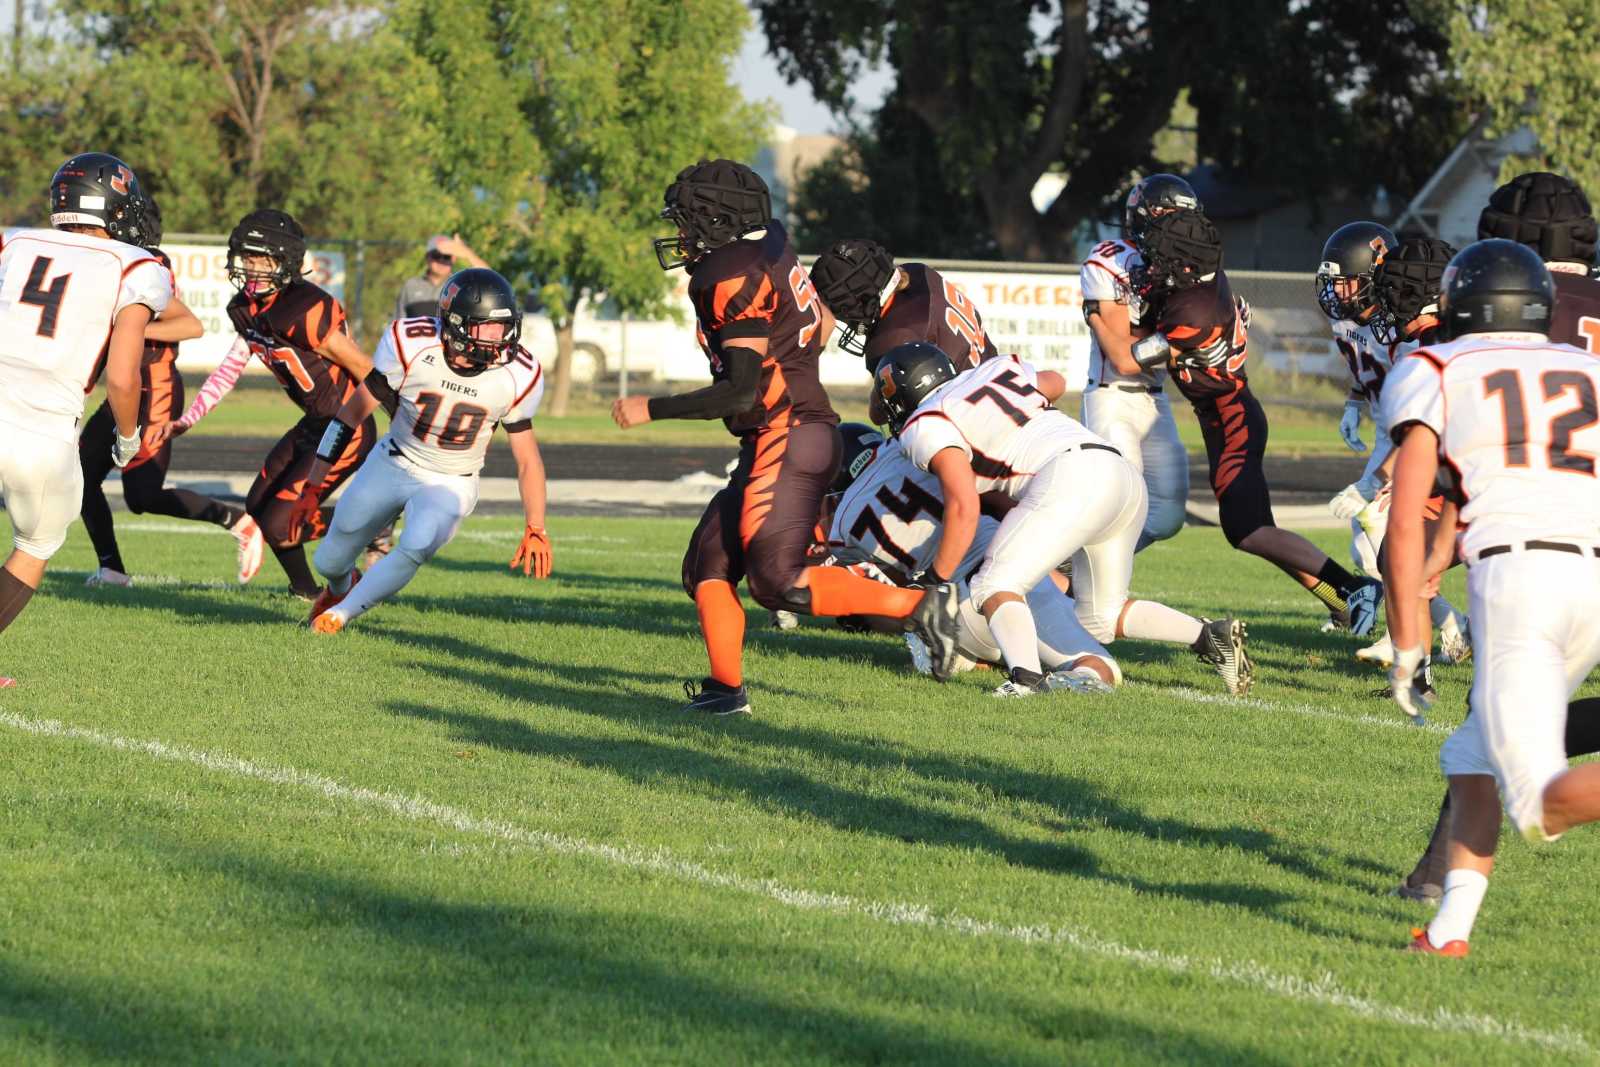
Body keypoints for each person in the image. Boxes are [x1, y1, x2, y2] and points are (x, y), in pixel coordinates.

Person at [612, 158, 960, 716]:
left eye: (688, 221)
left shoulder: (730, 275)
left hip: (787, 433)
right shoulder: (770, 243)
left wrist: (649, 408)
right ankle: (725, 692)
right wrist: (787, 357)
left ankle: (920, 607)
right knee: (706, 565)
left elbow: (737, 393)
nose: (681, 234)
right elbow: (819, 325)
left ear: (719, 221)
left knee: (779, 585)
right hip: (782, 432)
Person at [1382, 240, 1600, 956]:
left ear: (1461, 305)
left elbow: (1404, 517)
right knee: (1469, 755)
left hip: (1521, 584)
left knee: (1538, 805)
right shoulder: (1585, 365)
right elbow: (1490, 474)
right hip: (1589, 575)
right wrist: (1440, 559)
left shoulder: (1435, 367)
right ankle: (1449, 930)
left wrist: (1407, 640)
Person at [874, 341, 1251, 697]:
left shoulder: (925, 422)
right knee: (1101, 616)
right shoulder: (992, 370)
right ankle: (1207, 635)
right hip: (1118, 471)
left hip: (1069, 476)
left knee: (994, 583)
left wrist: (937, 579)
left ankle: (1025, 681)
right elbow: (1054, 382)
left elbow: (963, 505)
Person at [1130, 209, 1383, 632]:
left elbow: (1133, 357)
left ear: (1185, 265)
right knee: (1261, 532)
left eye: (1161, 261)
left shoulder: (1193, 310)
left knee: (1247, 531)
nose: (1153, 269)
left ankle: (1354, 587)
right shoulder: (1205, 286)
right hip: (1228, 417)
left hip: (1233, 421)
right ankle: (1341, 598)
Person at [146, 210, 382, 599]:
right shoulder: (246, 310)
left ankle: (370, 524)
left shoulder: (304, 309)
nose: (251, 268)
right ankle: (305, 591)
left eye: (262, 260)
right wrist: (187, 419)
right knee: (257, 505)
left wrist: (402, 427)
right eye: (247, 258)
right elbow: (229, 370)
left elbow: (367, 371)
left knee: (279, 523)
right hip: (314, 422)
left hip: (345, 426)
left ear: (285, 262)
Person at [0, 153, 172, 686]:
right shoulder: (137, 266)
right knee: (34, 545)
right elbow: (122, 377)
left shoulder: (17, 243)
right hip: (43, 429)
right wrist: (128, 437)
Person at [300, 268, 551, 632]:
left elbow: (528, 459)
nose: (500, 338)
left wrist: (536, 526)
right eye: (488, 328)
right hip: (394, 460)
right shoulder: (412, 344)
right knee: (328, 561)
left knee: (417, 542)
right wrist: (313, 485)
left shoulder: (519, 373)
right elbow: (350, 415)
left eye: (504, 327)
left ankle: (340, 615)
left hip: (453, 479)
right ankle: (340, 588)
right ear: (455, 323)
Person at [826, 421, 1121, 693]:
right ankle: (1047, 672)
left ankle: (962, 654)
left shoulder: (842, 525)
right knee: (1099, 663)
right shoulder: (911, 451)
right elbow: (994, 502)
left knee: (928, 595)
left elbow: (895, 580)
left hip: (954, 613)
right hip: (1003, 580)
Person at [77, 193, 265, 587]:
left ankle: (237, 520)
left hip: (155, 387)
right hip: (125, 386)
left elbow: (190, 326)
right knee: (80, 477)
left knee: (142, 496)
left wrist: (128, 330)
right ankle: (111, 569)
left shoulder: (150, 264)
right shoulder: (116, 260)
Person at [1327, 236, 1472, 681]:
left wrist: (1375, 481)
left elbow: (1423, 425)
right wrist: (1356, 401)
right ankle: (1435, 642)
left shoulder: (1430, 345)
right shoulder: (1419, 335)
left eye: (1392, 291)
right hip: (1436, 452)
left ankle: (1422, 637)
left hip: (1451, 459)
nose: (1386, 302)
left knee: (1392, 544)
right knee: (1381, 548)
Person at [1080, 174, 1198, 552]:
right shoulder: (1112, 259)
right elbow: (1123, 358)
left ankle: (1072, 569)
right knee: (1122, 504)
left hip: (1155, 398)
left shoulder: (1190, 266)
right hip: (1112, 395)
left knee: (1167, 517)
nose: (1185, 230)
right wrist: (1180, 344)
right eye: (1176, 219)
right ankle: (1080, 579)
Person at [395, 234, 489, 319]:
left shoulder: (461, 285)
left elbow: (489, 279)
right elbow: (397, 324)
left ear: (454, 258)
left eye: (447, 256)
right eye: (436, 256)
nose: (441, 260)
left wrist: (467, 253)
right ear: (427, 257)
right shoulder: (410, 286)